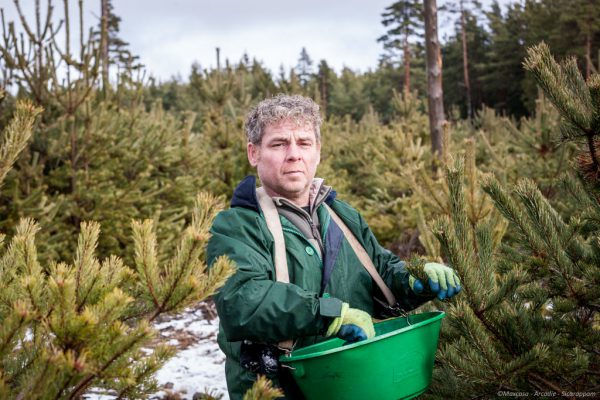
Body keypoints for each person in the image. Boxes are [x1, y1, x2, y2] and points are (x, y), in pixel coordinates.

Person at [206, 94, 461, 399]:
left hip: (357, 383)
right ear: (253, 153)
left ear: (318, 151)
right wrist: (329, 313)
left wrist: (417, 279)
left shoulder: (342, 215)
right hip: (280, 390)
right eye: (278, 144)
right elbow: (243, 300)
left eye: (304, 143)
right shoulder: (237, 225)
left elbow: (383, 276)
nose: (293, 154)